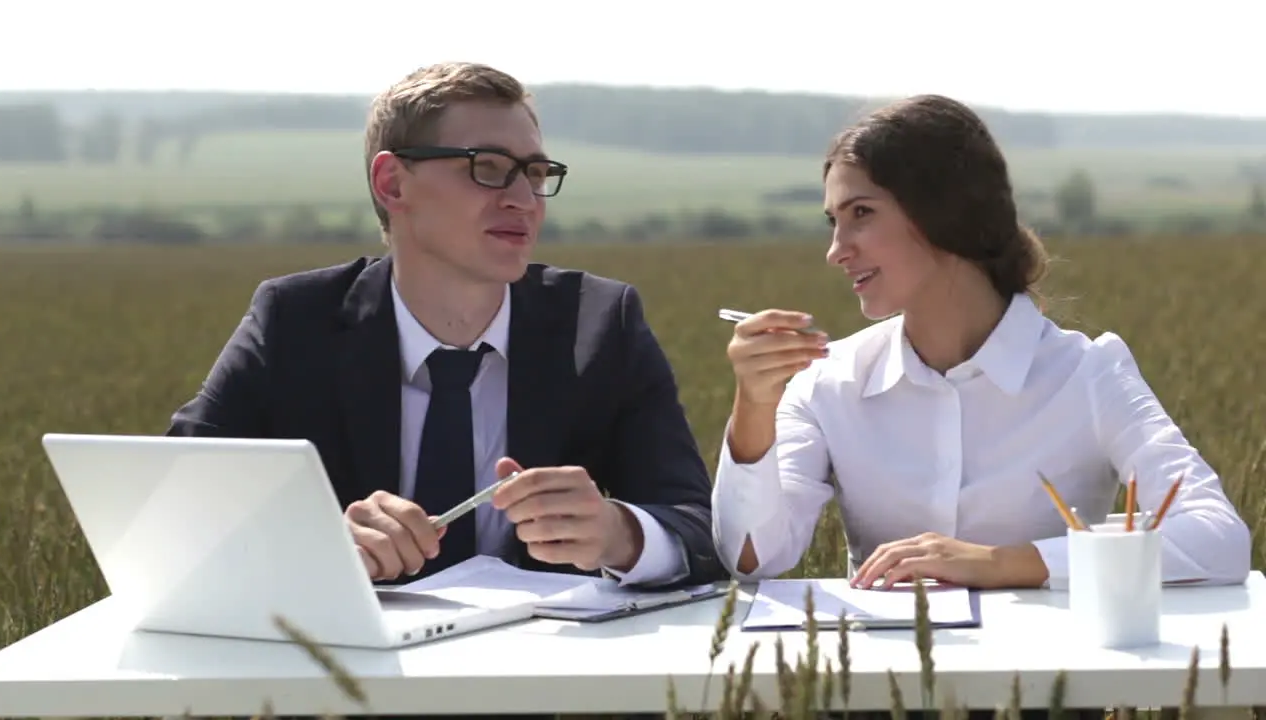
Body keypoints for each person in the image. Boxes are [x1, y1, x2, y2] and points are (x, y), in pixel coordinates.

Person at [167, 61, 725, 601]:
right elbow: (171, 507)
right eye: (487, 167)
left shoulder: (599, 323)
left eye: (535, 173)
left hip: (544, 682)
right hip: (349, 681)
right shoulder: (294, 322)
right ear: (392, 183)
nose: (524, 200)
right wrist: (316, 546)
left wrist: (619, 534)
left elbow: (699, 527)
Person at [711, 94, 1251, 594]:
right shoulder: (828, 384)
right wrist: (755, 407)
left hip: (1044, 691)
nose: (836, 250)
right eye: (834, 221)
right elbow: (754, 557)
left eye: (861, 214)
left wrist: (1003, 563)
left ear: (944, 211)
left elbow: (1219, 538)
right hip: (878, 690)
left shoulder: (1088, 374)